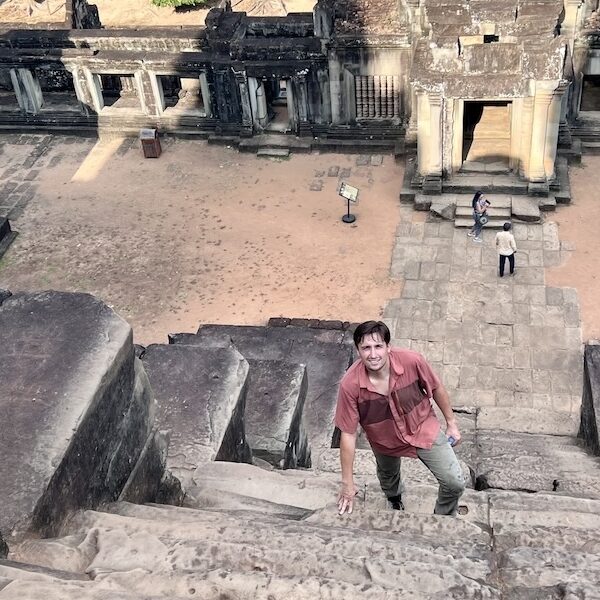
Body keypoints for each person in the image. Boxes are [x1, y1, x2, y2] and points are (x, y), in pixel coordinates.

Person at [335, 321, 465, 516]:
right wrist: (347, 483)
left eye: (378, 346)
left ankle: (443, 516)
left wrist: (451, 423)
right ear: (358, 351)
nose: (373, 354)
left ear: (388, 347)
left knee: (454, 482)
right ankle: (395, 499)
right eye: (366, 348)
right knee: (388, 478)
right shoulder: (350, 385)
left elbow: (436, 387)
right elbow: (348, 433)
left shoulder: (412, 361)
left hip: (422, 427)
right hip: (383, 439)